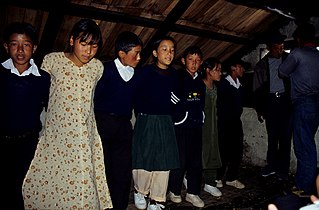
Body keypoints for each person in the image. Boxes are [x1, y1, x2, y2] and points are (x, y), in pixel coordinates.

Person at [22, 18, 113, 209]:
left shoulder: (97, 68)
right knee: (52, 182)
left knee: (85, 183)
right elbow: (38, 93)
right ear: (72, 40)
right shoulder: (52, 60)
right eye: (84, 43)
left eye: (94, 46)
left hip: (85, 135)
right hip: (58, 136)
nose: (88, 51)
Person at [0, 22, 50, 209]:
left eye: (26, 45)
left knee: (19, 186)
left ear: (34, 48)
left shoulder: (43, 79)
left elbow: (49, 107)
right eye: (14, 44)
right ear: (6, 46)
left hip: (27, 144)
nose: (20, 50)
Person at [94, 31, 143, 210]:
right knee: (104, 170)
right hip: (103, 125)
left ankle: (119, 206)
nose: (139, 57)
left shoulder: (137, 75)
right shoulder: (105, 70)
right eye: (135, 53)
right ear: (122, 54)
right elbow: (94, 99)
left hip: (123, 126)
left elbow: (138, 102)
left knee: (122, 172)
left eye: (140, 53)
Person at [132, 36, 180, 210]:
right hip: (147, 119)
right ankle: (140, 191)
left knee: (163, 161)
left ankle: (157, 198)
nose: (169, 53)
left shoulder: (175, 74)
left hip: (166, 121)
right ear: (154, 52)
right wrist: (144, 115)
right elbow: (136, 97)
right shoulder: (145, 72)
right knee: (144, 157)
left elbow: (176, 99)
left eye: (172, 50)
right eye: (164, 49)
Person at [278, 22, 319, 196]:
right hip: (317, 104)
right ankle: (306, 182)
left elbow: (282, 72)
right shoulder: (318, 55)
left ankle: (304, 186)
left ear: (299, 39)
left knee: (303, 146)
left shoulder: (297, 53)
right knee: (308, 141)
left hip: (303, 103)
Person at [168, 46, 205, 208]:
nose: (194, 64)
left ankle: (192, 192)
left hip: (196, 126)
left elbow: (201, 102)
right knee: (180, 160)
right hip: (181, 126)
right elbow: (173, 99)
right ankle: (174, 190)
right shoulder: (177, 77)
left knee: (195, 161)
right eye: (191, 60)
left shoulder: (200, 81)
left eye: (197, 61)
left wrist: (200, 117)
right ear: (184, 61)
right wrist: (181, 117)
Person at [253, 31, 293, 180]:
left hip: (286, 103)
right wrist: (260, 109)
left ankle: (283, 170)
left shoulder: (289, 60)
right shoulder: (262, 65)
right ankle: (272, 166)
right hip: (271, 103)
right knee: (272, 138)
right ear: (270, 48)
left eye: (282, 48)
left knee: (285, 138)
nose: (280, 51)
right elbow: (257, 89)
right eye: (277, 48)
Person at [216, 58, 246, 189]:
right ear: (233, 68)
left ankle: (231, 177)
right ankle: (217, 177)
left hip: (235, 122)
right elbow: (221, 105)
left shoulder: (239, 84)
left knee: (237, 150)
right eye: (240, 67)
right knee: (224, 150)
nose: (243, 70)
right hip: (225, 123)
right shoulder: (224, 84)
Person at [201, 57, 223, 197]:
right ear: (208, 71)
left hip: (213, 127)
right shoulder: (199, 86)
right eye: (217, 70)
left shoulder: (215, 87)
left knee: (213, 150)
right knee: (201, 152)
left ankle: (210, 182)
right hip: (202, 127)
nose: (220, 73)